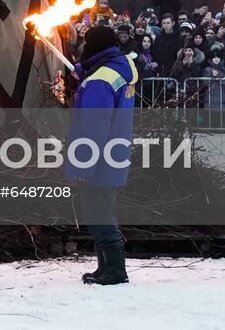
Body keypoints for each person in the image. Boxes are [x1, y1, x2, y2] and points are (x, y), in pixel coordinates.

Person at [64, 24, 136, 285]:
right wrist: (84, 73)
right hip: (114, 153)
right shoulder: (120, 69)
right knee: (102, 211)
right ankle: (105, 267)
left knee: (98, 215)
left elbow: (93, 128)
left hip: (98, 159)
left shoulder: (98, 82)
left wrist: (84, 166)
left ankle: (115, 271)